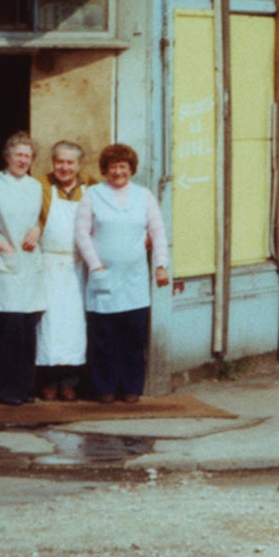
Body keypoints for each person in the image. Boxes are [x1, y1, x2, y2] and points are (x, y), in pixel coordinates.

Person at [77, 141, 173, 404]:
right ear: (105, 169)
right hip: (103, 276)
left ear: (131, 168)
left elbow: (158, 232)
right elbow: (81, 234)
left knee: (132, 337)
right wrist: (95, 265)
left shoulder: (144, 196)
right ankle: (104, 388)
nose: (118, 172)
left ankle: (131, 387)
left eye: (123, 166)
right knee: (104, 338)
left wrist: (161, 266)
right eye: (112, 167)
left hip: (135, 279)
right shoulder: (93, 195)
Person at [0, 130, 53, 406]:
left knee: (29, 331)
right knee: (11, 331)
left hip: (31, 263)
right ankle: (7, 391)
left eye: (28, 156)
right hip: (8, 262)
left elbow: (39, 219)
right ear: (7, 156)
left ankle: (26, 389)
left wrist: (38, 230)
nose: (23, 160)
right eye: (19, 154)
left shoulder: (36, 187)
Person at [32, 138, 94, 399]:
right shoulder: (40, 185)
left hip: (77, 265)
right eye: (60, 161)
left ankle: (70, 382)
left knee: (74, 325)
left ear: (79, 165)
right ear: (53, 162)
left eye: (70, 162)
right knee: (47, 325)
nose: (64, 167)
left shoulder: (92, 188)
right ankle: (48, 381)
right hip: (47, 264)